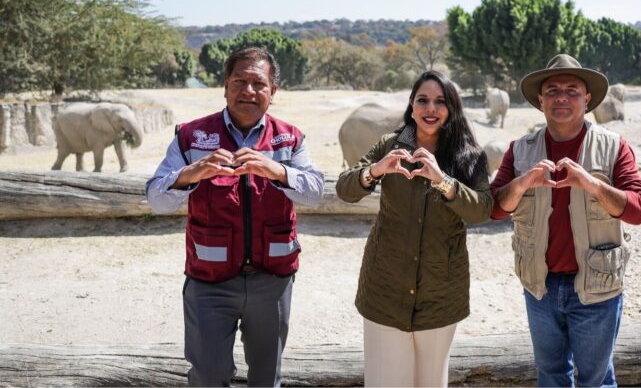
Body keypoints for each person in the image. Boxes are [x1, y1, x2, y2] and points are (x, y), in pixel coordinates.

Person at [145, 46, 324, 387]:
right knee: (208, 376)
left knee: (265, 377)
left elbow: (315, 191)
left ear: (273, 92)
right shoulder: (192, 136)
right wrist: (190, 174)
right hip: (209, 281)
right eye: (239, 81)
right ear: (225, 86)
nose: (248, 91)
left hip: (272, 281)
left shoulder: (290, 138)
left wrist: (277, 170)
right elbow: (156, 200)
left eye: (259, 83)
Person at [490, 54, 641, 387]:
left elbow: (639, 210)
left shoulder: (614, 147)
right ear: (540, 99)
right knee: (550, 376)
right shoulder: (520, 150)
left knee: (595, 380)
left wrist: (591, 183)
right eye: (553, 90)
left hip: (597, 286)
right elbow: (493, 209)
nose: (561, 97)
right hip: (540, 288)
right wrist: (523, 183)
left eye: (572, 90)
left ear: (587, 98)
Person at [336, 70, 492, 387]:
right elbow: (345, 189)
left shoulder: (470, 156)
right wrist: (375, 171)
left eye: (440, 101)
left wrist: (444, 182)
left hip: (440, 294)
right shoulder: (388, 145)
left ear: (452, 108)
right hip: (385, 291)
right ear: (411, 104)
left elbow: (482, 210)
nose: (430, 109)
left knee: (431, 383)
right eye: (423, 100)